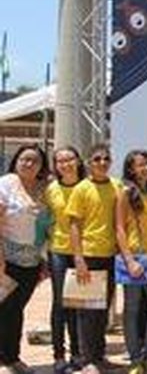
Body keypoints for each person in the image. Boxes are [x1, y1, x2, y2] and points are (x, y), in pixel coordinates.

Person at [66, 144, 120, 374]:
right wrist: (78, 258)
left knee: (102, 310)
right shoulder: (81, 188)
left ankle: (99, 357)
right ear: (89, 162)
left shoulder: (116, 186)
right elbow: (74, 225)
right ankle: (87, 360)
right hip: (88, 256)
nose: (102, 163)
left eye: (106, 159)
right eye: (97, 159)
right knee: (86, 312)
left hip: (109, 257)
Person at [0, 144, 50, 374]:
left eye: (35, 160)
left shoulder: (44, 189)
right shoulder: (6, 184)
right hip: (6, 258)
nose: (29, 164)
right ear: (16, 161)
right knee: (8, 309)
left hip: (32, 260)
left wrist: (45, 261)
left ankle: (8, 355)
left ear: (41, 166)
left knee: (16, 308)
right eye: (24, 159)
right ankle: (11, 358)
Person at [115, 150, 147, 374]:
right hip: (134, 258)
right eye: (140, 165)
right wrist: (128, 260)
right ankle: (135, 360)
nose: (145, 168)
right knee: (132, 310)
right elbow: (119, 228)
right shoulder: (125, 192)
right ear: (131, 169)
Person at [46, 146, 86, 374]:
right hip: (59, 250)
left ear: (78, 161)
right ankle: (59, 355)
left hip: (86, 252)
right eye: (60, 161)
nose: (65, 164)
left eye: (69, 159)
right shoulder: (51, 189)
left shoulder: (87, 186)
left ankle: (78, 352)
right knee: (61, 303)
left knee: (79, 304)